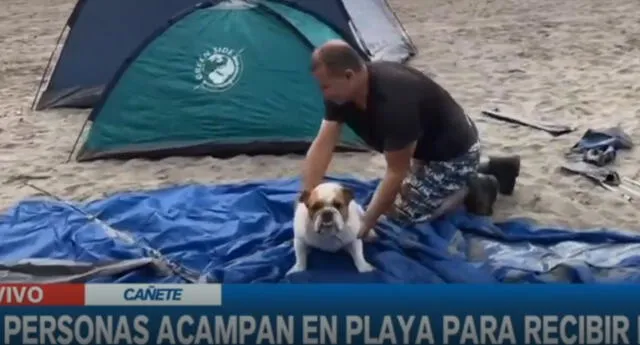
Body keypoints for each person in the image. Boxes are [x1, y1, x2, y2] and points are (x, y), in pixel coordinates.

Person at [301, 40, 481, 239]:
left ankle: (472, 188)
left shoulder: (395, 101)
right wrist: (308, 199)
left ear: (349, 75)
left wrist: (365, 225)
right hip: (421, 151)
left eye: (325, 87)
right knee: (392, 199)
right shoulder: (341, 94)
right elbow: (323, 144)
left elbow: (396, 171)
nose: (323, 93)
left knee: (404, 216)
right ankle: (481, 170)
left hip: (454, 155)